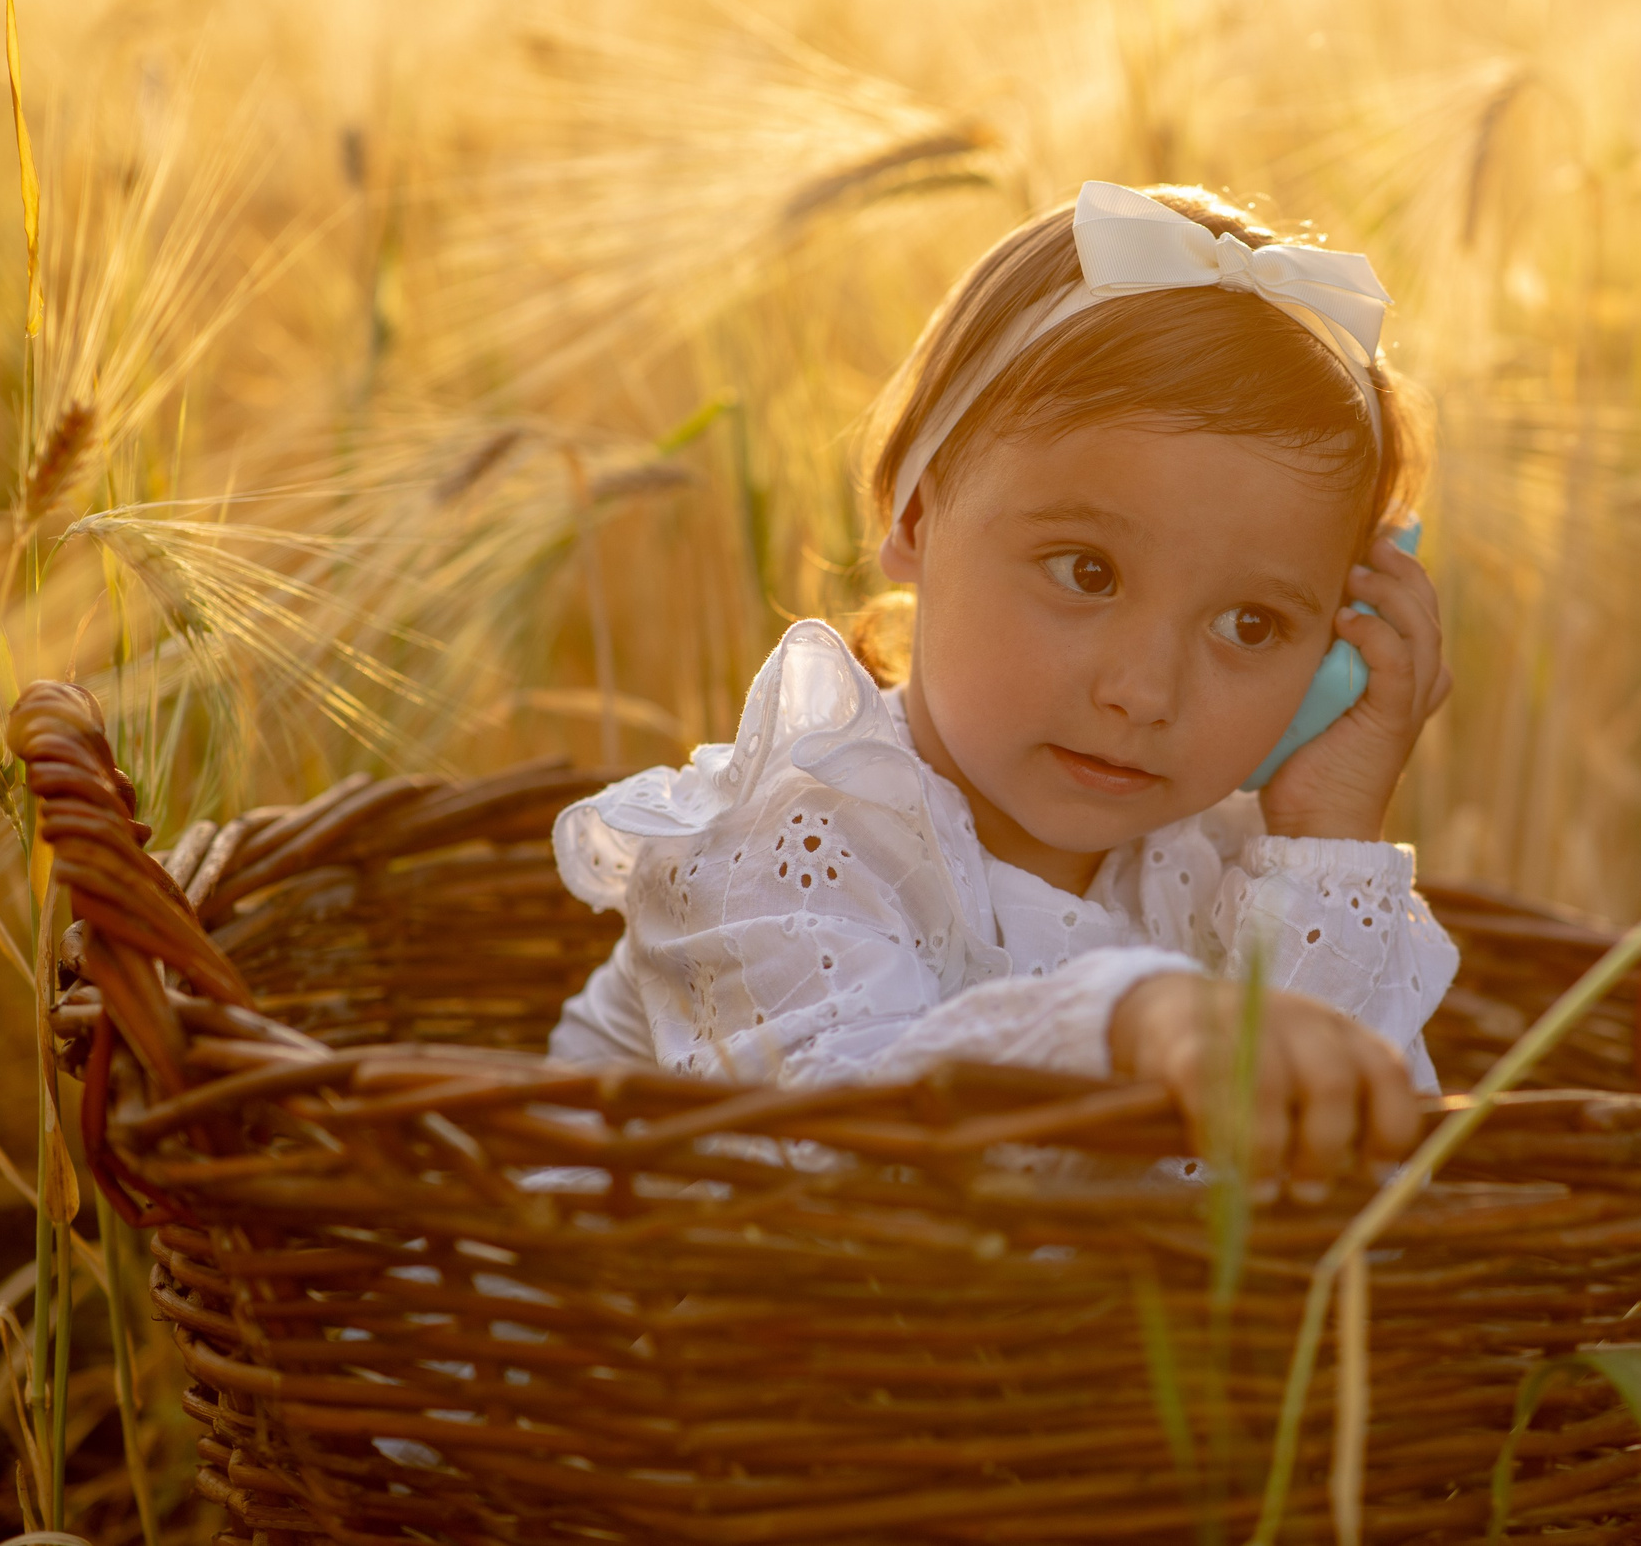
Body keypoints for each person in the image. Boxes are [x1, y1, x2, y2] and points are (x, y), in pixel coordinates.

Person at [549, 181, 1458, 1203]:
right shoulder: (784, 841)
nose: (1143, 691)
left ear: (1337, 642)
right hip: (605, 1301)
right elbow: (851, 1166)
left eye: (1251, 625)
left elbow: (1347, 1196)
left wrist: (1329, 830)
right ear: (914, 514)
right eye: (1086, 572)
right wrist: (1122, 1020)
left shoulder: (1232, 876)